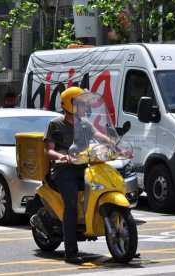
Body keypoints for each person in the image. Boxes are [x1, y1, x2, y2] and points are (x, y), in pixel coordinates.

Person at [43, 87, 112, 264]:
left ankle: (121, 241)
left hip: (84, 165)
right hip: (64, 169)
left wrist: (118, 146)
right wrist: (62, 157)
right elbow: (48, 151)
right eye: (81, 104)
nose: (85, 107)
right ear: (70, 104)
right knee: (71, 203)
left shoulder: (84, 123)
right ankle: (70, 252)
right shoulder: (55, 124)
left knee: (104, 188)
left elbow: (98, 135)